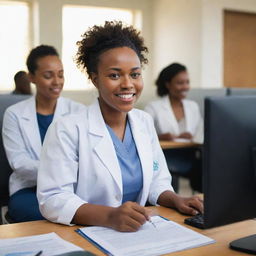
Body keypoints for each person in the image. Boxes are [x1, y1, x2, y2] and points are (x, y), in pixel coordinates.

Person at [37, 21, 203, 232]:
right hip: (88, 231)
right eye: (114, 75)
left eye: (135, 74)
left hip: (139, 231)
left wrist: (175, 199)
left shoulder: (143, 121)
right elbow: (53, 199)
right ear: (95, 79)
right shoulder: (67, 129)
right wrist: (110, 216)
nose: (127, 84)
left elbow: (157, 181)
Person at [2, 45, 85, 222]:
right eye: (48, 76)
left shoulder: (78, 111)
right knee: (47, 215)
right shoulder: (14, 114)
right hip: (29, 188)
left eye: (61, 74)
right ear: (32, 77)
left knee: (81, 211)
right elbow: (19, 163)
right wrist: (63, 170)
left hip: (70, 188)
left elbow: (85, 158)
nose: (57, 81)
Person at [144, 63, 203, 192]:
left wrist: (194, 137)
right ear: (168, 84)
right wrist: (161, 137)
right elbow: (142, 134)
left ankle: (207, 204)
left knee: (209, 166)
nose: (185, 87)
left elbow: (200, 134)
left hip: (190, 155)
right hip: (165, 156)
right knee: (168, 173)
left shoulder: (193, 106)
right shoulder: (154, 107)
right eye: (180, 83)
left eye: (187, 82)